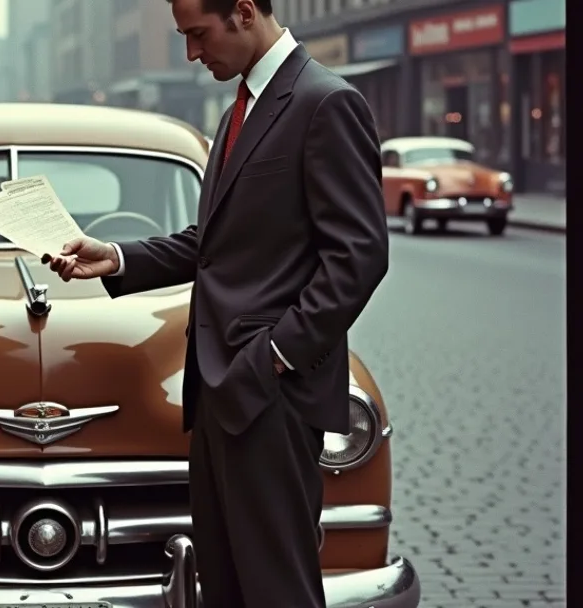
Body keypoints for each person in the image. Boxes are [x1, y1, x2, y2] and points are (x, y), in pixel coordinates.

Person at [44, 0, 389, 605]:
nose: (191, 53)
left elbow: (359, 256)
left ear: (246, 12)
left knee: (276, 588)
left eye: (198, 34)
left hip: (270, 394)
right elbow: (218, 243)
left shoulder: (324, 101)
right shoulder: (245, 107)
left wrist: (276, 354)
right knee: (225, 585)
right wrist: (117, 258)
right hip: (221, 392)